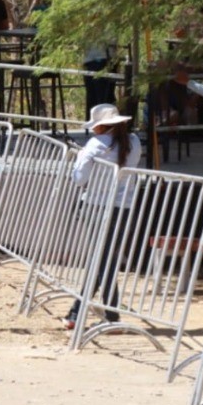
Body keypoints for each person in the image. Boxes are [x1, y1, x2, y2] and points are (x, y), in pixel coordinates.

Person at [63, 103, 143, 330]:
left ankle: (83, 312)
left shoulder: (95, 144)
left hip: (96, 206)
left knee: (101, 260)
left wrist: (80, 157)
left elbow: (79, 178)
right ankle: (98, 311)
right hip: (123, 206)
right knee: (105, 259)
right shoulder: (134, 142)